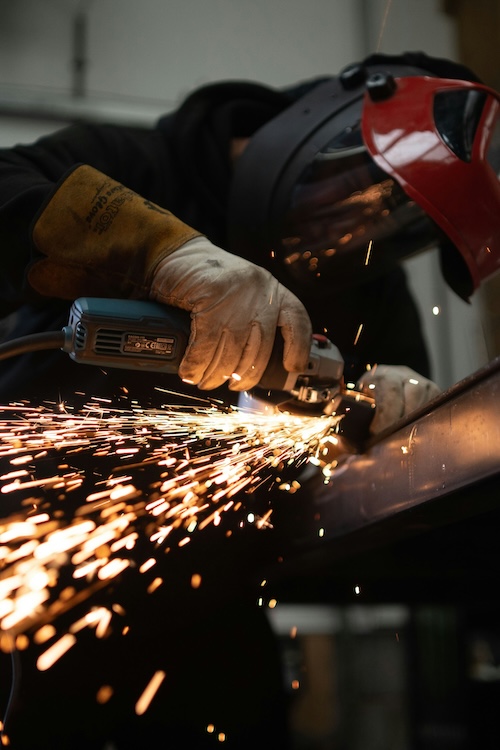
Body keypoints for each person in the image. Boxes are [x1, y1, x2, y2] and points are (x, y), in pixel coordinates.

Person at [0, 50, 498, 748]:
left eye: (400, 227)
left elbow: (395, 419)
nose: (358, 230)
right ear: (321, 122)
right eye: (366, 193)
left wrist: (391, 406)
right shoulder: (139, 165)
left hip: (205, 601)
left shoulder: (364, 280)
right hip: (25, 564)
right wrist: (163, 253)